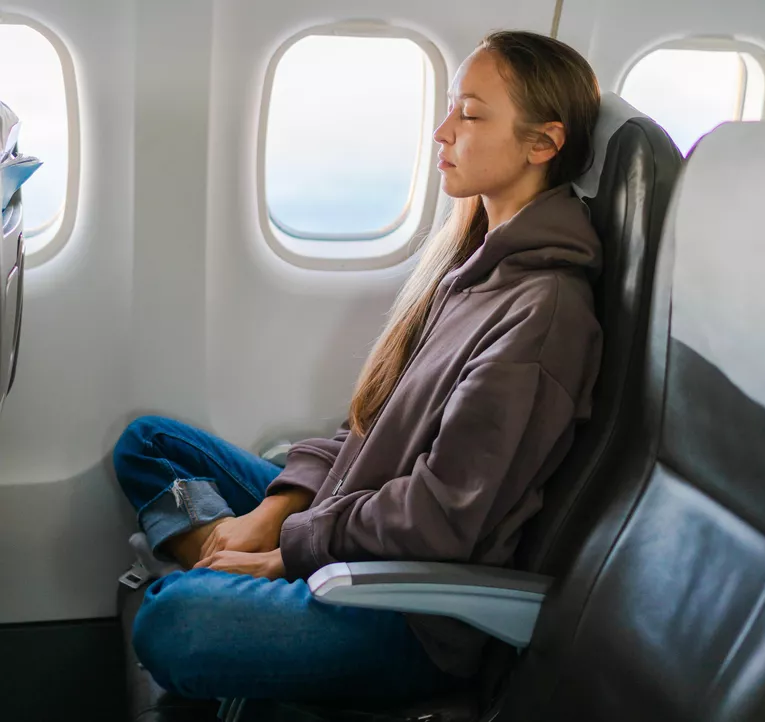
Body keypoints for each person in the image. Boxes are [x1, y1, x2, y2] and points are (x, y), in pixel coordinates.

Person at [114, 29, 603, 707]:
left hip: (403, 607)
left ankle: (210, 559)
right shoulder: (471, 263)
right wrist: (276, 513)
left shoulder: (542, 316)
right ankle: (218, 549)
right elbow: (368, 428)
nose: (441, 131)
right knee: (147, 443)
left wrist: (289, 549)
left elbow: (439, 518)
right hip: (348, 519)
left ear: (542, 144)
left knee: (173, 615)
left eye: (470, 113)